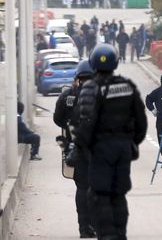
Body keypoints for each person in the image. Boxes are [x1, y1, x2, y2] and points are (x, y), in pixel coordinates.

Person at [72, 43, 147, 240]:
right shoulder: (127, 86)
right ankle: (120, 234)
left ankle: (107, 235)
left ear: (93, 63)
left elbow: (85, 122)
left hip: (101, 149)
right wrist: (131, 144)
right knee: (119, 194)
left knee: (101, 193)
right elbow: (142, 122)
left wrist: (81, 148)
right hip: (123, 148)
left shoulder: (90, 88)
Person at [53, 60, 96, 238]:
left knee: (82, 187)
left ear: (77, 77)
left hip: (76, 148)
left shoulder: (67, 97)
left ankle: (84, 228)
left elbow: (57, 119)